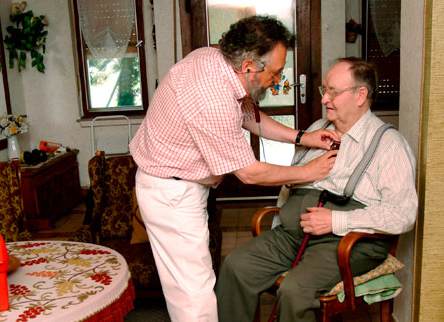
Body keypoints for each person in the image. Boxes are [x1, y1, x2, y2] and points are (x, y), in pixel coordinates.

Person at [129, 16, 340, 322]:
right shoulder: (211, 96)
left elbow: (247, 116)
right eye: (277, 73)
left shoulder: (214, 59)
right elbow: (249, 173)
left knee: (194, 286)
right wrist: (310, 172)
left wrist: (302, 137)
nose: (279, 81)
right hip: (170, 192)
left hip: (177, 182)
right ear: (249, 67)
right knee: (193, 295)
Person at [215, 57, 418, 322]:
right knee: (235, 266)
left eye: (334, 92)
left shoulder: (389, 145)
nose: (324, 100)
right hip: (293, 234)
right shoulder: (317, 130)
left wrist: (337, 220)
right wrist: (281, 222)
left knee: (294, 291)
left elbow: (403, 215)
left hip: (346, 243)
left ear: (361, 95)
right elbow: (290, 187)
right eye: (325, 91)